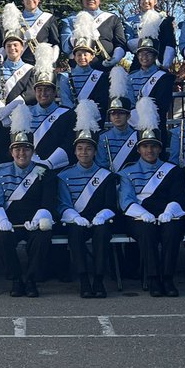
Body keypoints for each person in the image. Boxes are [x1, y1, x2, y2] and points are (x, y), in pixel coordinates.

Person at [117, 97, 185, 297]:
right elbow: (126, 201)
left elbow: (178, 196)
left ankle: (168, 278)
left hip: (167, 214)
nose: (150, 150)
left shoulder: (172, 171)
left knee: (172, 231)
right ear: (138, 149)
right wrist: (143, 214)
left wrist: (169, 212)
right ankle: (153, 279)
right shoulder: (127, 172)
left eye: (154, 146)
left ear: (160, 148)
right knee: (147, 232)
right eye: (145, 146)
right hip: (139, 217)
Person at [0, 105, 54, 297]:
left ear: (32, 151)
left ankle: (31, 279)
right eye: (17, 149)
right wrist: (2, 219)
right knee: (2, 238)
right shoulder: (1, 171)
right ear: (11, 152)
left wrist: (40, 218)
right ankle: (16, 279)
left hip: (33, 222)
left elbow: (48, 202)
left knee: (42, 238)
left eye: (25, 149)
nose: (21, 153)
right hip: (10, 222)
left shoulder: (44, 172)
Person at [56, 100, 118, 299]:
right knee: (75, 234)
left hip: (99, 218)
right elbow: (63, 204)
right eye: (80, 149)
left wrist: (101, 215)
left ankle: (99, 279)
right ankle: (83, 279)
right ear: (74, 152)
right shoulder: (64, 175)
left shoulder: (105, 175)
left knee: (102, 233)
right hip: (77, 219)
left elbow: (110, 204)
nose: (84, 152)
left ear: (94, 151)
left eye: (88, 149)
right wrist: (75, 217)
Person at [0, 6, 35, 151]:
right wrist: (3, 114)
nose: (12, 48)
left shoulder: (30, 70)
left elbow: (31, 94)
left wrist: (10, 109)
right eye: (9, 45)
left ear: (22, 46)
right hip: (1, 122)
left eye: (15, 45)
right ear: (4, 48)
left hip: (25, 119)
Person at [124, 0, 176, 67]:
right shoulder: (131, 21)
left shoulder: (163, 20)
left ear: (155, 1)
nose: (146, 1)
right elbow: (128, 43)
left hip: (159, 61)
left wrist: (165, 64)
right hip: (139, 63)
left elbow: (170, 44)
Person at [28, 43, 73, 171]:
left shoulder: (66, 114)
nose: (43, 94)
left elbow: (68, 143)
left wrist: (49, 163)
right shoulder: (25, 113)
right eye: (39, 90)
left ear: (55, 92)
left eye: (47, 89)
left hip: (56, 167)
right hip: (28, 168)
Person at [127, 38, 174, 145]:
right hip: (134, 125)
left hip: (156, 125)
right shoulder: (131, 77)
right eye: (141, 54)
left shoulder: (164, 77)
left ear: (155, 56)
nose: (144, 57)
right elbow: (129, 103)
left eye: (148, 53)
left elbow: (162, 106)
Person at [57, 15, 108, 111]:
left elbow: (101, 102)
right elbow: (66, 102)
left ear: (92, 56)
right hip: (72, 118)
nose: (82, 58)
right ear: (74, 57)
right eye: (79, 55)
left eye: (86, 54)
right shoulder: (65, 77)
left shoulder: (101, 76)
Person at [97, 69, 137, 171]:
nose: (117, 116)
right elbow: (101, 164)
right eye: (113, 113)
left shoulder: (137, 136)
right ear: (110, 117)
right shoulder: (102, 138)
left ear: (128, 116)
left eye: (121, 113)